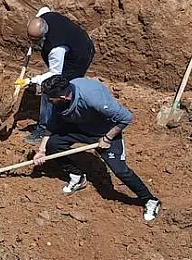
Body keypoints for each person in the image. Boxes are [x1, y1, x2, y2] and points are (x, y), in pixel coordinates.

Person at [33, 75, 162, 222]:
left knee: (120, 170)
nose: (47, 100)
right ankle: (77, 177)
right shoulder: (59, 100)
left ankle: (150, 200)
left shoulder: (93, 98)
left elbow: (126, 117)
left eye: (49, 98)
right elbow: (52, 124)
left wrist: (107, 138)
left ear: (62, 97)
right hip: (80, 127)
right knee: (53, 144)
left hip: (105, 133)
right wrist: (41, 150)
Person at [19, 7, 95, 145]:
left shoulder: (56, 49)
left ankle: (44, 128)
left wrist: (31, 80)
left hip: (79, 57)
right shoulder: (44, 15)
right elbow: (43, 8)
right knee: (53, 85)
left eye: (36, 41)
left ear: (44, 35)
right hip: (74, 43)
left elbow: (54, 73)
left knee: (49, 89)